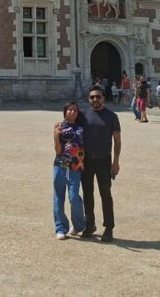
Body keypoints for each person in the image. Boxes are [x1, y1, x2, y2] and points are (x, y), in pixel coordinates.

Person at [80, 84, 121, 242]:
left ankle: (109, 228)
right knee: (87, 194)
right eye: (92, 97)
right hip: (87, 160)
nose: (95, 99)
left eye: (98, 96)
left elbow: (117, 141)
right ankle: (90, 225)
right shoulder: (83, 115)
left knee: (106, 195)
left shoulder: (112, 116)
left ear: (103, 98)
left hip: (104, 159)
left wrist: (115, 162)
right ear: (89, 99)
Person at [52, 102, 86, 239]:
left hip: (76, 166)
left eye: (75, 110)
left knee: (73, 196)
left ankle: (78, 225)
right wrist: (56, 136)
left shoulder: (82, 126)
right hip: (60, 165)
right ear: (65, 111)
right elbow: (58, 150)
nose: (72, 112)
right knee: (58, 196)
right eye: (70, 110)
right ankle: (61, 227)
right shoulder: (60, 126)